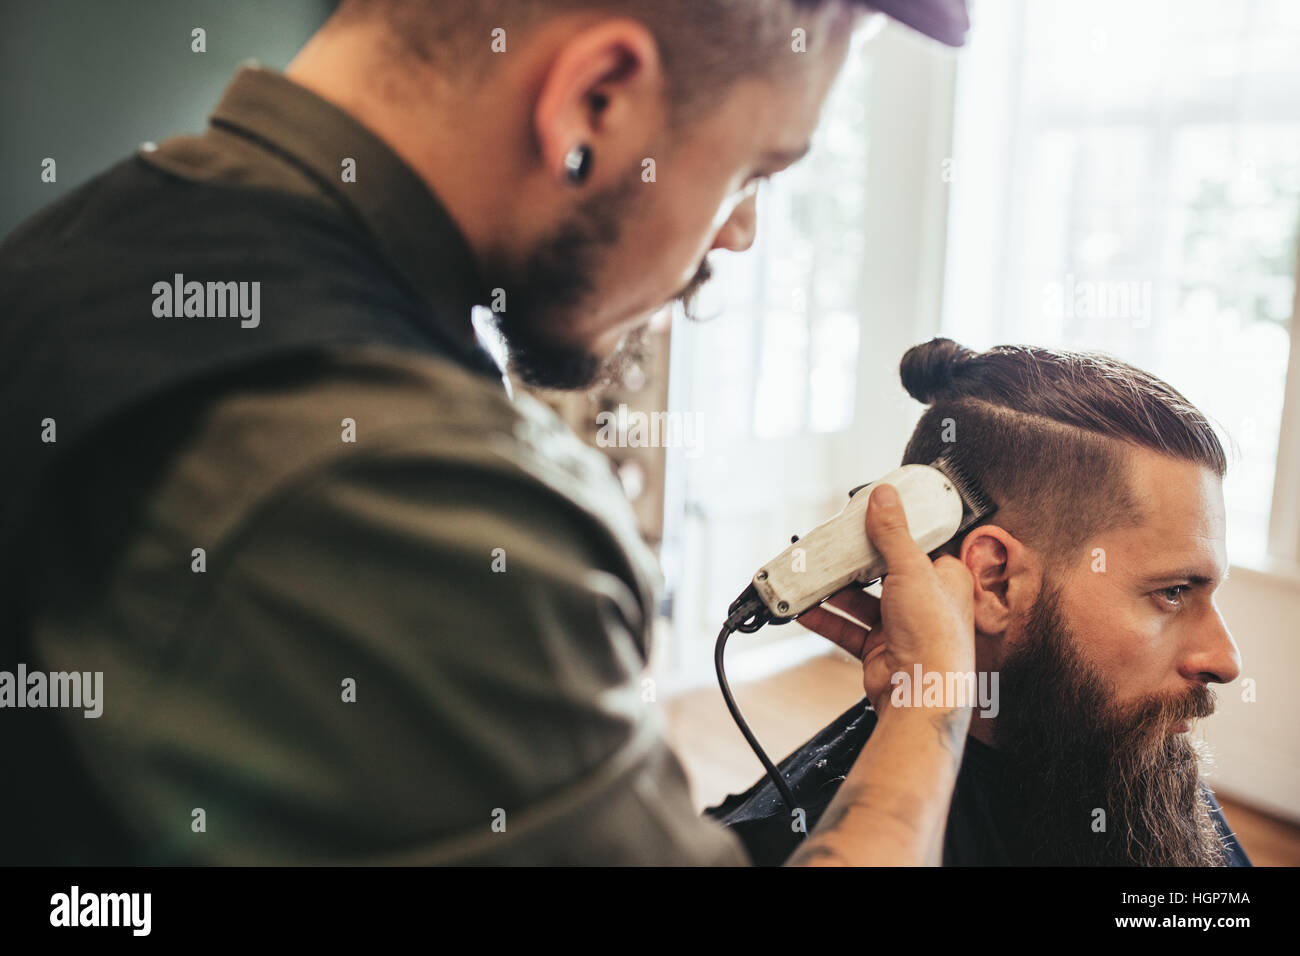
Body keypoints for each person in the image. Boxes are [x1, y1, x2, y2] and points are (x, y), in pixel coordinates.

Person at [0, 0, 980, 864]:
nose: (739, 233)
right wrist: (929, 702)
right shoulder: (405, 494)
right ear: (596, 103)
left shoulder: (91, 235)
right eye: (754, 169)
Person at [708, 337, 1252, 867]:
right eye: (1173, 592)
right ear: (995, 581)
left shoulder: (1132, 767)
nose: (1226, 660)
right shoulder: (791, 844)